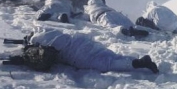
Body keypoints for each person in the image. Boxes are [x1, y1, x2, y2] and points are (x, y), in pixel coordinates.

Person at [27, 28, 159, 73]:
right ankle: (136, 60)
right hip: (83, 42)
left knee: (107, 64)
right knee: (110, 55)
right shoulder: (50, 31)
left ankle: (138, 64)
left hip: (77, 55)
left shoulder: (37, 39)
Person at [84, 0, 148, 38]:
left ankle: (125, 31)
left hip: (103, 16)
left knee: (111, 26)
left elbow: (85, 16)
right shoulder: (104, 5)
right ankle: (141, 30)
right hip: (116, 14)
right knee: (130, 25)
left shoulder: (90, 8)